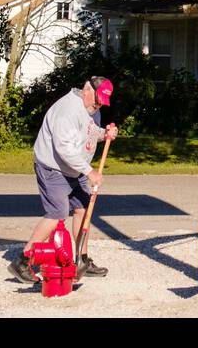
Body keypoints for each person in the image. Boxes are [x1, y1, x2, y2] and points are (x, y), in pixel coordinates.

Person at [9, 76, 118, 283]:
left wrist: (105, 134)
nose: (98, 105)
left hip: (75, 170)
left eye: (102, 102)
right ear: (86, 90)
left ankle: (82, 260)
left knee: (83, 210)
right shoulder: (67, 110)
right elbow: (64, 149)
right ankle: (23, 261)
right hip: (54, 167)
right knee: (57, 213)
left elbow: (89, 132)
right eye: (97, 100)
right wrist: (90, 172)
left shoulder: (93, 110)